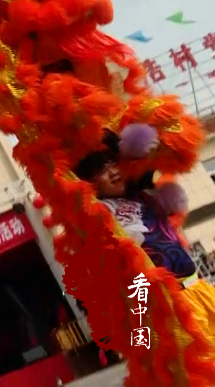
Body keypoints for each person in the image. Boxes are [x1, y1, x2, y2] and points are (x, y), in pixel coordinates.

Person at [74, 124, 215, 325]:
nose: (112, 172)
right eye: (101, 170)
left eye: (113, 163)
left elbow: (160, 155)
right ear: (90, 183)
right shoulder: (100, 212)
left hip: (200, 291)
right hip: (172, 312)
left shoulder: (144, 194)